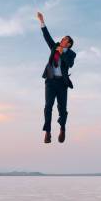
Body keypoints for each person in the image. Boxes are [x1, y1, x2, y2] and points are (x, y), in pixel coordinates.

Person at [36, 12, 76, 143]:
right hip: (51, 81)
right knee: (48, 106)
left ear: (68, 44)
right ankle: (47, 132)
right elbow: (47, 37)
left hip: (62, 84)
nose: (62, 40)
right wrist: (42, 21)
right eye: (62, 38)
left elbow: (69, 64)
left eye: (65, 39)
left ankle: (62, 128)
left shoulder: (71, 54)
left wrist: (61, 53)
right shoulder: (54, 47)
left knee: (62, 109)